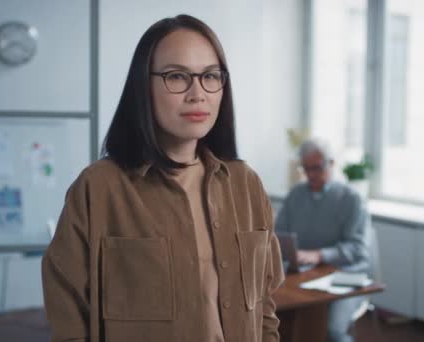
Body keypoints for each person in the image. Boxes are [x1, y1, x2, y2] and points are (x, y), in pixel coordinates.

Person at [41, 14, 284, 342]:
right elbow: (68, 315)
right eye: (176, 76)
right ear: (144, 86)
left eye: (210, 76)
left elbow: (264, 305)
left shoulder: (246, 183)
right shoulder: (98, 188)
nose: (197, 93)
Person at [275, 138, 371, 342]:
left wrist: (319, 255)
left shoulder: (351, 199)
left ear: (332, 164)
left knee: (331, 332)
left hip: (346, 278)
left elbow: (357, 249)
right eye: (306, 168)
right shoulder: (296, 194)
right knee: (278, 320)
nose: (310, 175)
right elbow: (277, 234)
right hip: (304, 277)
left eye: (317, 168)